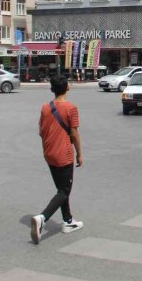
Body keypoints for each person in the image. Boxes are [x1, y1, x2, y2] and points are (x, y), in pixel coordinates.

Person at [30, 74, 84, 244]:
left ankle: (68, 221)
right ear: (67, 87)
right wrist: (79, 153)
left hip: (49, 152)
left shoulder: (46, 107)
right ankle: (42, 217)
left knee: (61, 189)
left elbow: (41, 131)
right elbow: (74, 134)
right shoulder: (71, 108)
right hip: (64, 153)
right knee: (64, 190)